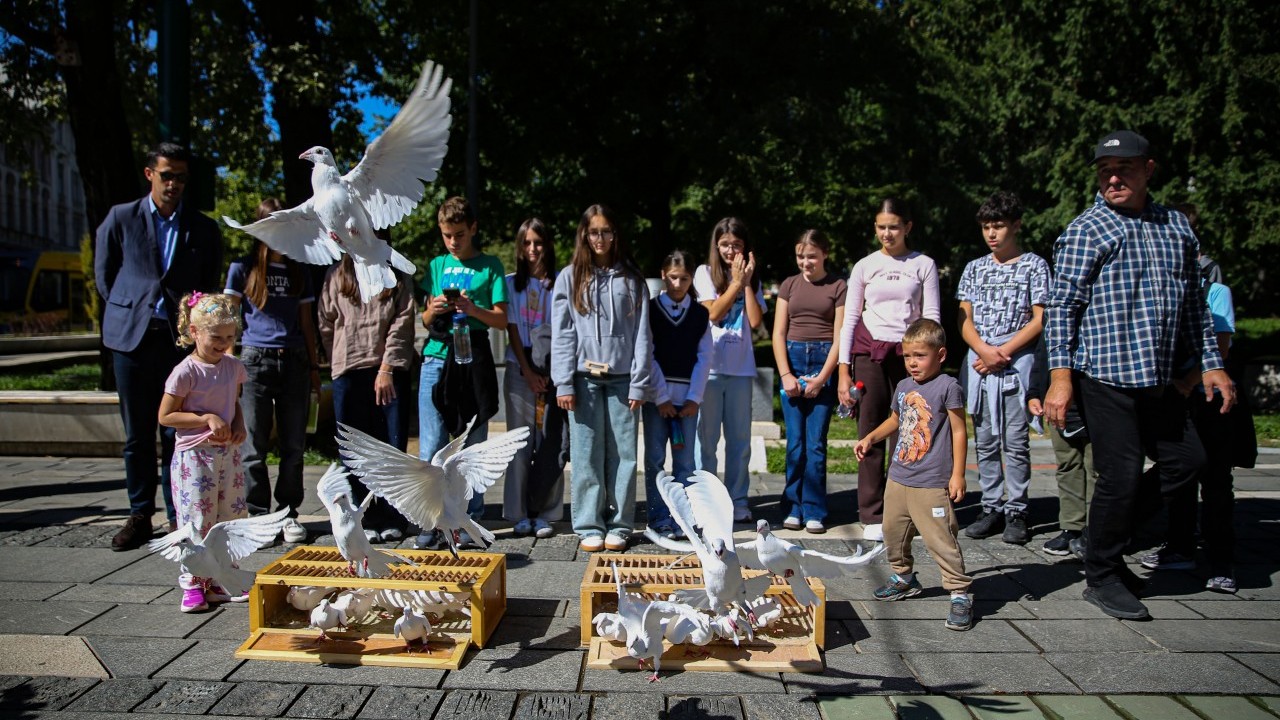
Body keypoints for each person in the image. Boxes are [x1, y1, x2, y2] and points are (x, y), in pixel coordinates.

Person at [1043, 129, 1234, 620]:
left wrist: (1211, 364)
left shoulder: (1176, 227)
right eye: (1105, 171)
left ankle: (1103, 538)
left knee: (1188, 461)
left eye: (1124, 169)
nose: (1113, 178)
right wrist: (1060, 378)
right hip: (1104, 376)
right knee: (1120, 474)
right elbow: (1062, 307)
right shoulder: (1087, 230)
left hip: (1159, 377)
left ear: (1148, 170)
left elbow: (1195, 306)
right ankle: (1103, 575)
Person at [95, 142, 224, 551]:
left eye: (181, 177)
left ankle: (178, 515)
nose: (174, 184)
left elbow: (207, 284)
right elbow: (105, 275)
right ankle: (139, 515)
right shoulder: (121, 218)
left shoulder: (202, 228)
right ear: (150, 174)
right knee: (137, 434)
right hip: (131, 340)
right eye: (167, 175)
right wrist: (128, 307)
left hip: (177, 343)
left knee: (178, 431)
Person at [854, 319, 972, 631]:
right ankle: (904, 577)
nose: (912, 363)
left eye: (920, 355)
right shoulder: (904, 386)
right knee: (892, 533)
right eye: (907, 356)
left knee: (940, 539)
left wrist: (958, 475)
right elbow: (895, 419)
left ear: (941, 355)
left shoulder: (948, 387)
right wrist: (870, 438)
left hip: (931, 482)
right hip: (898, 477)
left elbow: (960, 431)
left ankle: (959, 593)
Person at [837, 198, 940, 541]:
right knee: (871, 431)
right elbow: (850, 318)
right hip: (869, 355)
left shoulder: (923, 264)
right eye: (881, 227)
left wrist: (929, 361)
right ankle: (871, 513)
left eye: (893, 227)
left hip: (910, 357)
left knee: (910, 433)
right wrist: (843, 369)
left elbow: (932, 317)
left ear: (907, 227)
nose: (887, 233)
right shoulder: (865, 266)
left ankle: (906, 511)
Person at [551, 204, 652, 552]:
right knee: (586, 454)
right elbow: (563, 333)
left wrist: (640, 381)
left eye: (606, 231)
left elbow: (642, 334)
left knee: (624, 455)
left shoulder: (632, 279)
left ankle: (620, 524)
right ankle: (589, 524)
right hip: (583, 380)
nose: (600, 238)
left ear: (615, 234)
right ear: (584, 235)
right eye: (593, 232)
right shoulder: (569, 278)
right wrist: (563, 381)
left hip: (623, 380)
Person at [956, 191, 1050, 545]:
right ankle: (991, 505)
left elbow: (1040, 318)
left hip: (1015, 363)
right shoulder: (974, 268)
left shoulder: (1034, 265)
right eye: (986, 227)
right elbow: (964, 318)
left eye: (998, 226)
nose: (991, 234)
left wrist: (1003, 351)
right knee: (985, 439)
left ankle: (1017, 509)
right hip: (981, 363)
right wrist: (983, 349)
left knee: (1015, 441)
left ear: (1016, 225)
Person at [414, 197, 508, 550]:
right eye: (447, 235)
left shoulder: (490, 266)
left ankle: (471, 518)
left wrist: (472, 308)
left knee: (472, 445)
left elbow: (502, 319)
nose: (453, 242)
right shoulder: (437, 265)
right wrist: (435, 308)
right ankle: (430, 521)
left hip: (473, 359)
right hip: (437, 357)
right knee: (432, 444)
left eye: (459, 235)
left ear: (473, 229)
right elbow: (425, 319)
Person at [224, 198, 320, 545]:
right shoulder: (242, 268)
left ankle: (289, 512)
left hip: (294, 361)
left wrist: (314, 367)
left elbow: (306, 323)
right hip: (254, 362)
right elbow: (230, 319)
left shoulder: (299, 269)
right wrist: (228, 366)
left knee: (294, 446)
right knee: (253, 446)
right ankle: (258, 515)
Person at [1141, 268, 1240, 592]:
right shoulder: (1159, 288)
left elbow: (1221, 348)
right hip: (1172, 396)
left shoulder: (1216, 292)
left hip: (1209, 398)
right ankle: (1179, 546)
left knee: (1216, 480)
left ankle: (1221, 560)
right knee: (1180, 473)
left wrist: (1187, 381)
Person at [157, 292, 247, 613]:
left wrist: (238, 424)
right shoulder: (186, 372)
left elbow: (234, 402)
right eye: (216, 337)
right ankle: (194, 583)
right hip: (195, 457)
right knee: (197, 519)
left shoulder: (233, 367)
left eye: (229, 337)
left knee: (229, 516)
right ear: (194, 332)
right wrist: (206, 418)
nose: (224, 344)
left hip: (227, 454)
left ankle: (222, 577)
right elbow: (166, 416)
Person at [319, 254, 416, 542]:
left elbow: (403, 321)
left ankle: (393, 516)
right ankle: (363, 519)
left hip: (388, 371)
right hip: (348, 371)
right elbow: (326, 322)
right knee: (353, 452)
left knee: (390, 448)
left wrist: (387, 367)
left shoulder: (395, 272)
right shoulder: (336, 274)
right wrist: (338, 360)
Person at [692, 217, 766, 522]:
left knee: (739, 441)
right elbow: (712, 313)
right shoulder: (704, 273)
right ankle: (706, 500)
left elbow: (755, 321)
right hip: (709, 369)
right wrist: (735, 282)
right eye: (725, 244)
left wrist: (745, 283)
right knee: (706, 441)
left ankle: (737, 499)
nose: (731, 250)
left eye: (737, 244)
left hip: (740, 370)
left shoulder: (752, 278)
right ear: (716, 245)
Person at [773, 230, 846, 534]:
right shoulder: (789, 285)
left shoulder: (838, 286)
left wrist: (823, 378)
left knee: (815, 444)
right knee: (795, 444)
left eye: (812, 256)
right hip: (792, 362)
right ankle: (793, 506)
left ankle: (814, 509)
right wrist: (786, 375)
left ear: (825, 254)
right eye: (801, 256)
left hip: (822, 363)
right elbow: (778, 333)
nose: (806, 262)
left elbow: (840, 336)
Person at [502, 217, 566, 538]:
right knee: (520, 443)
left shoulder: (560, 283)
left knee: (550, 442)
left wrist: (552, 374)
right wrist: (528, 372)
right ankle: (518, 512)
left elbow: (564, 330)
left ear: (548, 245)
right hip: (520, 369)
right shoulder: (510, 283)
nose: (532, 249)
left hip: (553, 368)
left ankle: (547, 512)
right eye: (526, 243)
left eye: (538, 243)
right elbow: (512, 328)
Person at [643, 250, 711, 539]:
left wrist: (694, 397)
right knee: (655, 460)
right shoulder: (650, 310)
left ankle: (684, 518)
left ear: (691, 278)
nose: (678, 284)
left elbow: (704, 356)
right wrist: (661, 397)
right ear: (663, 276)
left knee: (685, 464)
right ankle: (658, 518)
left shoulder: (699, 314)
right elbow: (647, 353)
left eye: (684, 278)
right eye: (672, 277)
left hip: (687, 403)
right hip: (657, 400)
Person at [1027, 348, 1095, 556]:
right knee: (1068, 464)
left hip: (1094, 398)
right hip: (1058, 402)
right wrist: (1034, 392)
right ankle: (1071, 526)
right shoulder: (1053, 326)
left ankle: (1095, 530)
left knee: (1096, 468)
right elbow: (1042, 354)